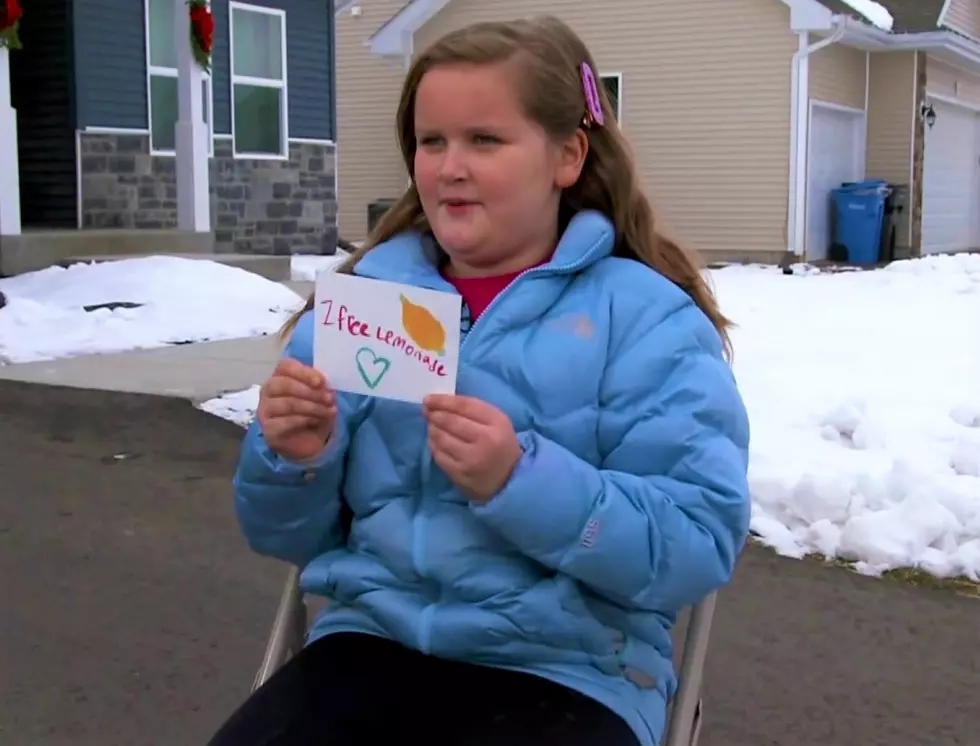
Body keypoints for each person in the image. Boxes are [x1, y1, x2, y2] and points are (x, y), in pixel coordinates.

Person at [212, 15, 750, 746]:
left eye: (484, 140)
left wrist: (520, 481)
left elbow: (695, 544)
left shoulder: (645, 318)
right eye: (431, 141)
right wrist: (296, 457)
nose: (448, 166)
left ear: (566, 156)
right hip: (371, 643)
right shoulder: (373, 301)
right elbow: (283, 534)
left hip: (570, 667)